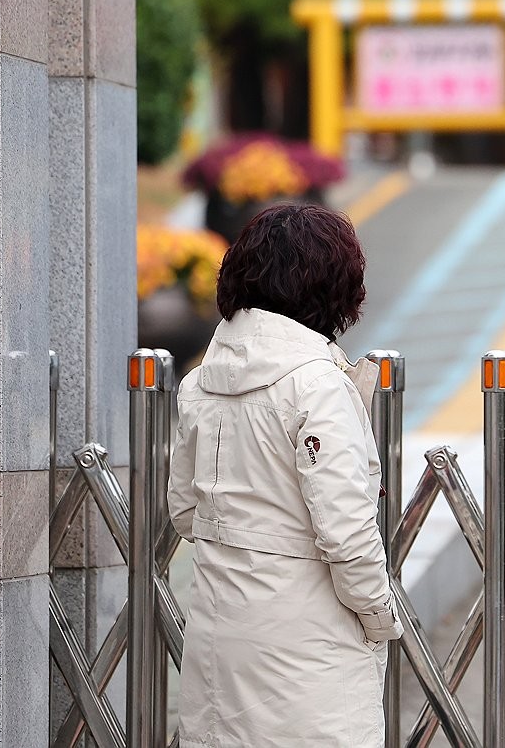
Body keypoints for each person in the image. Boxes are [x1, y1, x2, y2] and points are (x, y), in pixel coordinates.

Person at [169, 203, 402, 747]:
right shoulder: (316, 385)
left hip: (218, 638)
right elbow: (348, 535)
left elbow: (182, 509)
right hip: (308, 648)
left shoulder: (201, 382)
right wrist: (379, 618)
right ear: (333, 288)